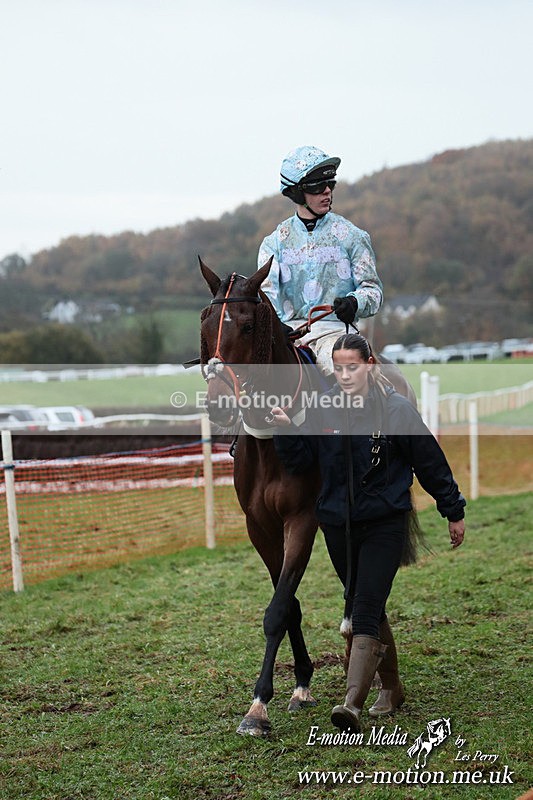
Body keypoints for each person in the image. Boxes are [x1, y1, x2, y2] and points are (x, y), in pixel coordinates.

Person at [269, 333, 466, 733]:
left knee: (363, 608)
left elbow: (430, 462)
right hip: (338, 528)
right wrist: (288, 429)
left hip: (384, 524)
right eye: (338, 368)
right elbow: (303, 461)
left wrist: (453, 510)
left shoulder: (396, 411)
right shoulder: (325, 413)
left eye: (352, 367)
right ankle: (391, 688)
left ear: (370, 365)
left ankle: (350, 704)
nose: (344, 375)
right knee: (368, 606)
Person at [258, 146, 383, 374]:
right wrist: (277, 327)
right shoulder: (273, 244)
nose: (327, 192)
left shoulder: (354, 236)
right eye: (318, 187)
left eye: (330, 185)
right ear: (297, 193)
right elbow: (266, 298)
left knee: (346, 374)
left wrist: (355, 302)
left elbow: (373, 290)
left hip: (335, 334)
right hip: (288, 336)